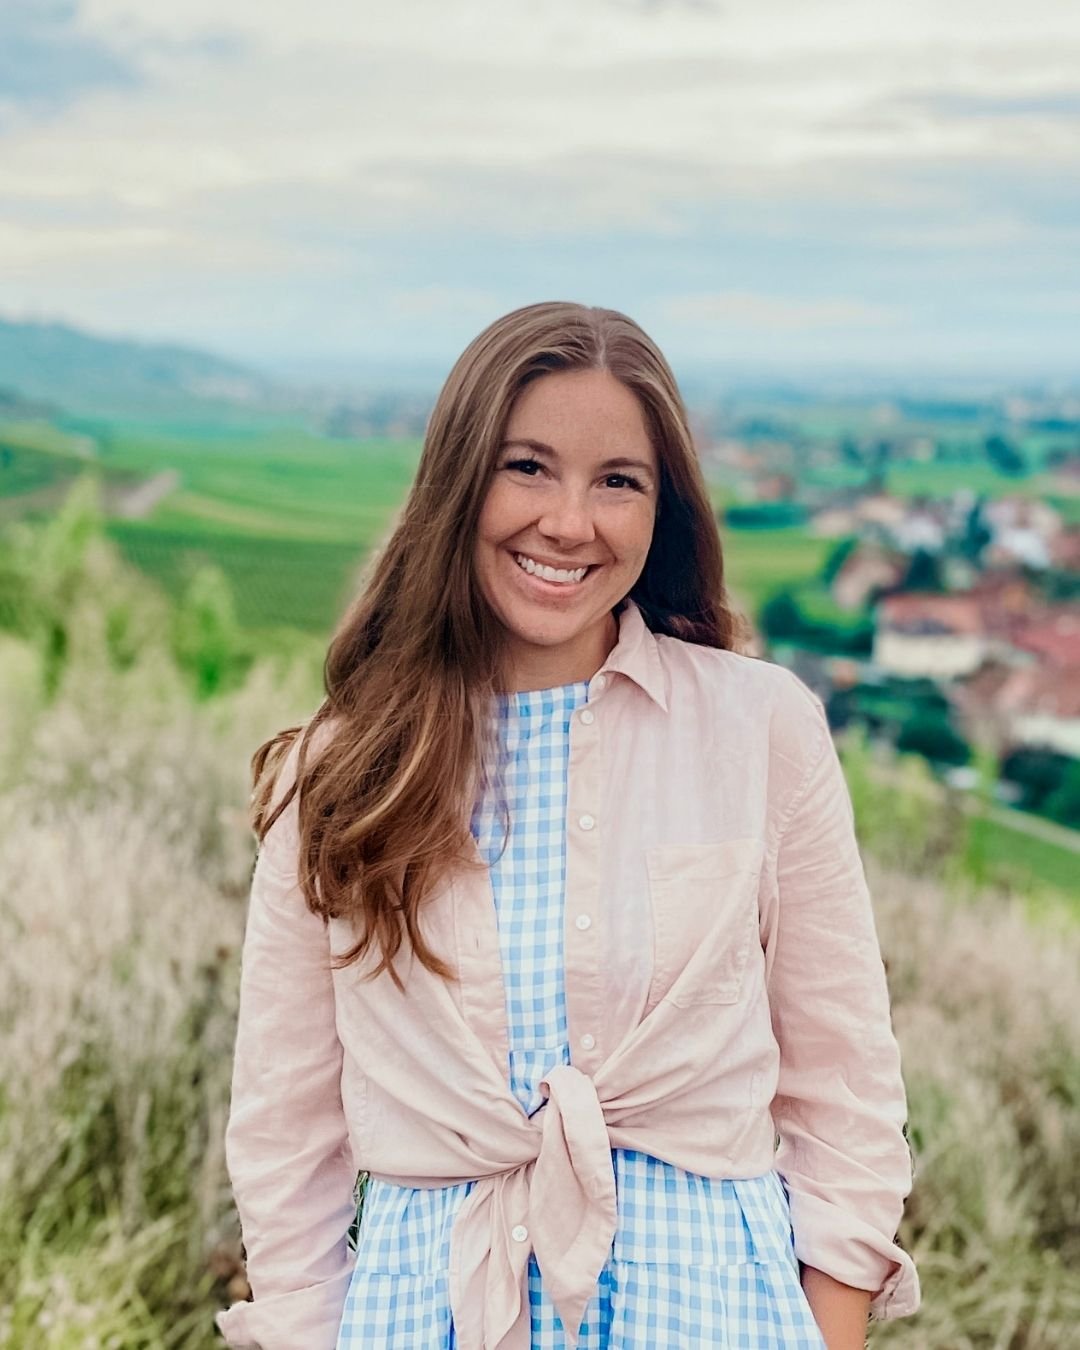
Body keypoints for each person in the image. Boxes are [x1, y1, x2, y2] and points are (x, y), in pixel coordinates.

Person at [216, 302, 920, 1350]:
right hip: (427, 1315)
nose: (569, 522)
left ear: (662, 507)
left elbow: (845, 1094)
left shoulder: (761, 727)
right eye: (528, 467)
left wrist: (827, 1336)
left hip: (715, 1314)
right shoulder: (343, 771)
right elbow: (286, 1138)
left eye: (618, 481)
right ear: (459, 483)